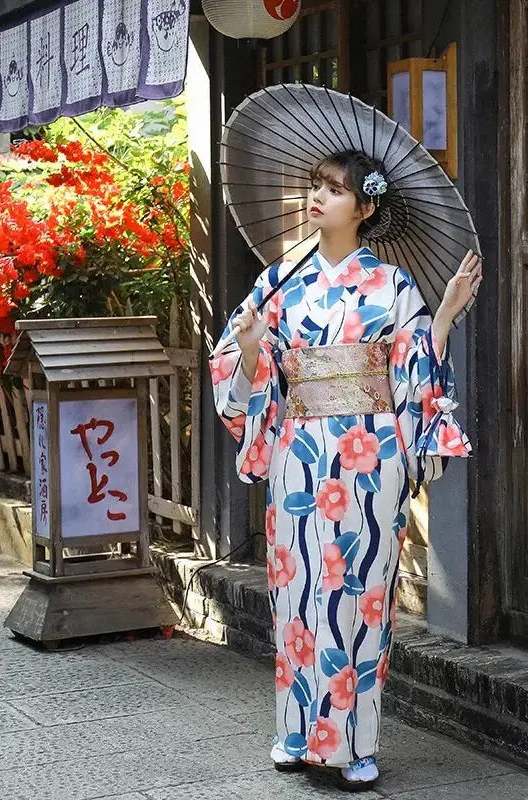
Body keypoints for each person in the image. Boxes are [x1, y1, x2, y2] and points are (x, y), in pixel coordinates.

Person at [210, 149, 482, 791]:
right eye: (315, 186)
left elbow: (414, 367)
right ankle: (295, 733)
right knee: (296, 590)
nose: (317, 197)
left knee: (361, 593)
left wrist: (441, 316)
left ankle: (356, 745)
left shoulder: (394, 285)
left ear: (365, 208)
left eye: (335, 190)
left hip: (370, 454)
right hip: (299, 452)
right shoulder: (277, 280)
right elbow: (239, 370)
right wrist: (249, 350)